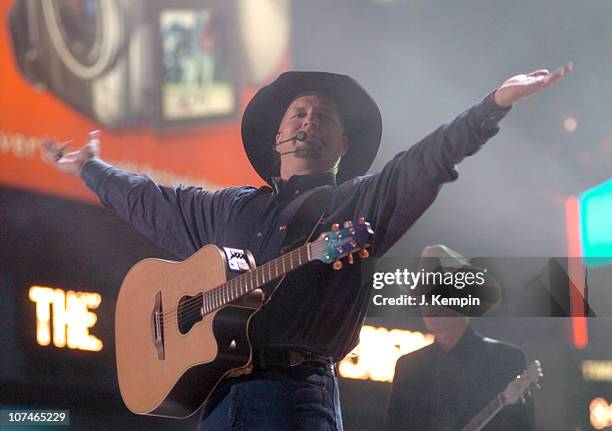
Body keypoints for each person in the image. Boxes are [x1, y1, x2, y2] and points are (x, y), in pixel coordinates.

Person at [41, 66, 570, 430]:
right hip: (219, 396)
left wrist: (492, 106)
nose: (308, 120)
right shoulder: (228, 208)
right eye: (298, 112)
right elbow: (149, 201)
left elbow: (424, 162)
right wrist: (89, 167)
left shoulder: (356, 203)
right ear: (276, 138)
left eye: (324, 116)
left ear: (342, 146)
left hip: (296, 396)